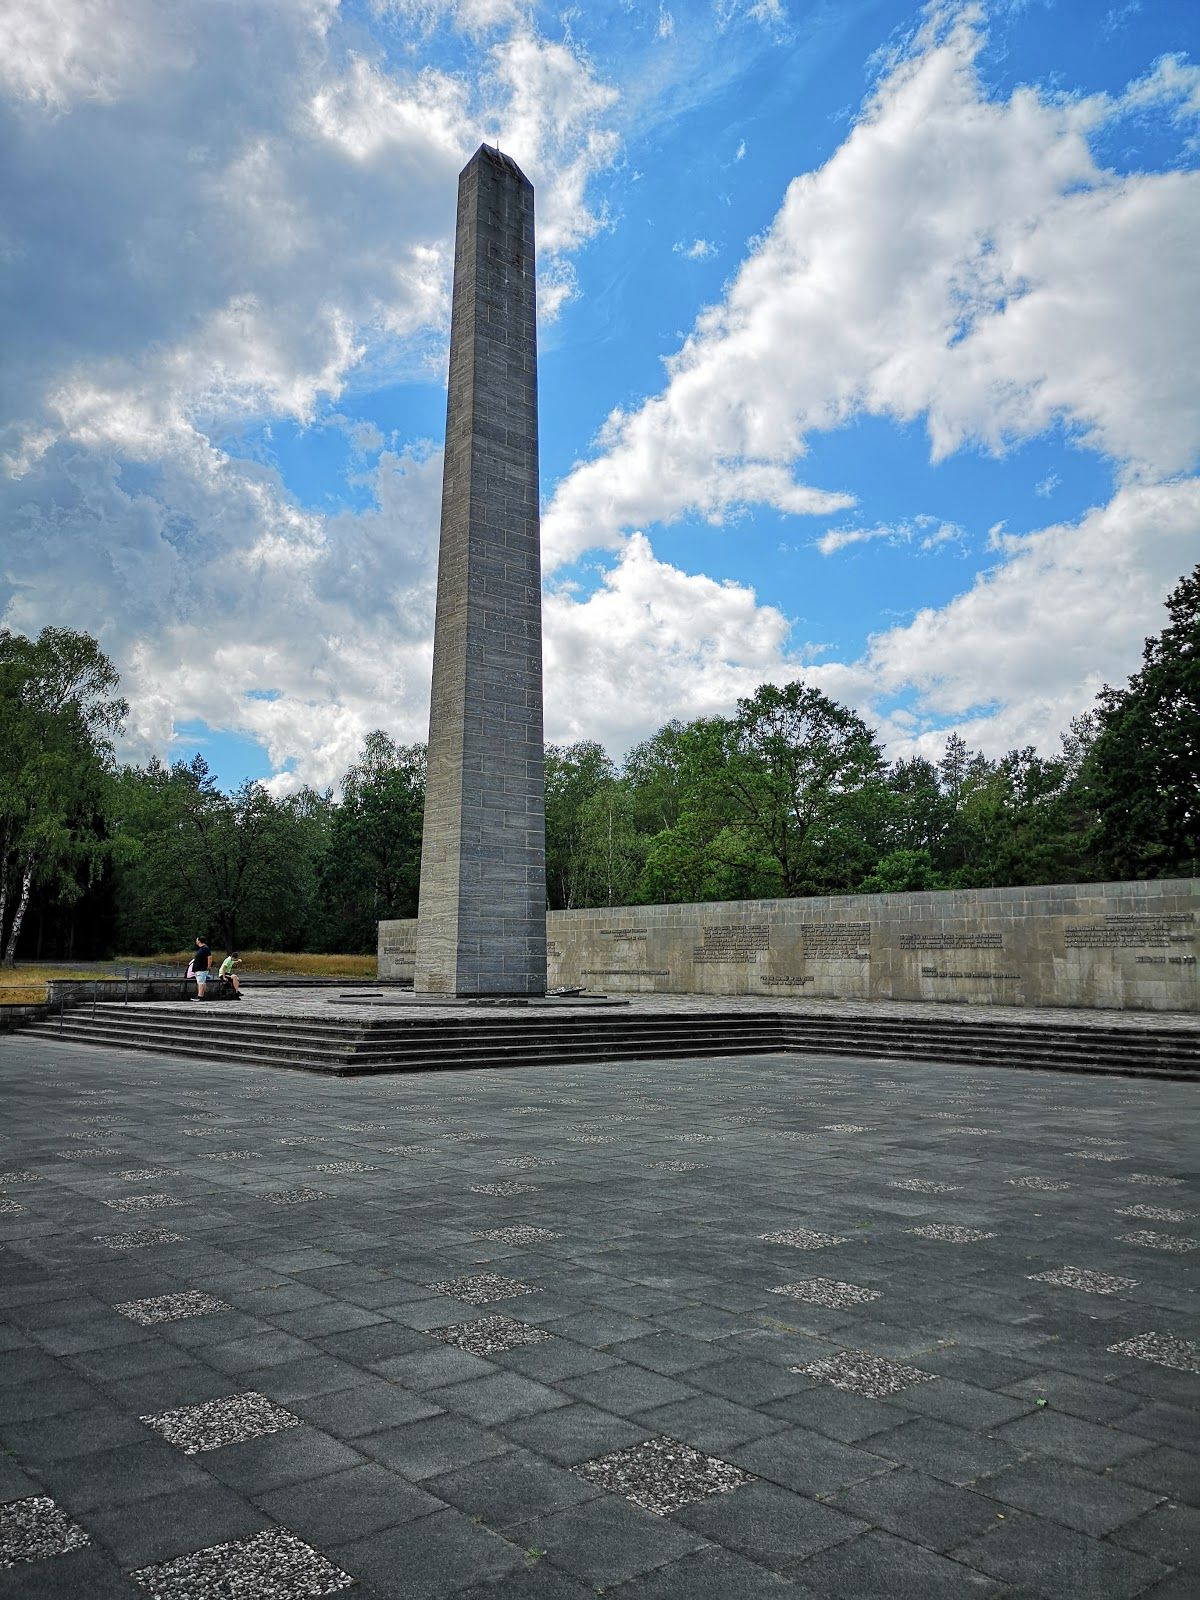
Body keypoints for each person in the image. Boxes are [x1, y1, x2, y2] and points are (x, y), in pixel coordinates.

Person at [193, 935, 212, 999]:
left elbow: (210, 957)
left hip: (201, 969)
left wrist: (209, 966)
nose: (196, 941)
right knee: (201, 982)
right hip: (199, 969)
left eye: (196, 939)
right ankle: (200, 996)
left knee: (201, 982)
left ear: (199, 941)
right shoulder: (202, 948)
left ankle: (200, 996)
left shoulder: (205, 948)